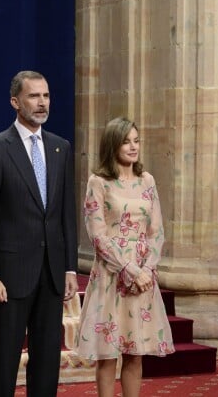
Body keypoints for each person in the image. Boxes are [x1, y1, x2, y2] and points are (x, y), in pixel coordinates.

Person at [0, 70, 79, 397]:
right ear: (15, 102)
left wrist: (70, 267)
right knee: (4, 360)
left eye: (46, 96)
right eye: (34, 96)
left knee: (47, 360)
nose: (42, 103)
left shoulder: (61, 148)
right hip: (11, 275)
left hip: (51, 274)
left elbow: (65, 214)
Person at [76, 116, 175, 397]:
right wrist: (130, 270)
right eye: (126, 141)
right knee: (108, 353)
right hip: (111, 274)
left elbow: (157, 231)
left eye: (136, 140)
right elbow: (97, 236)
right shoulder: (99, 182)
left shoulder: (148, 181)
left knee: (135, 351)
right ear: (112, 145)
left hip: (143, 278)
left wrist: (147, 270)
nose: (133, 147)